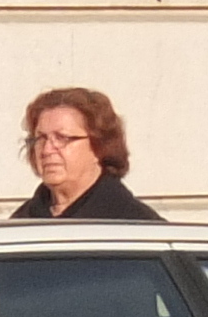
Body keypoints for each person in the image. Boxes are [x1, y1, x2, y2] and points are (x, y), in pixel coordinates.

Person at [12, 86, 163, 222]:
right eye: (41, 138)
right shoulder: (22, 223)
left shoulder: (133, 225)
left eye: (63, 138)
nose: (46, 150)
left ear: (99, 147)